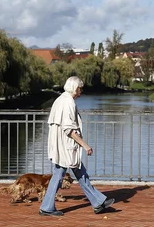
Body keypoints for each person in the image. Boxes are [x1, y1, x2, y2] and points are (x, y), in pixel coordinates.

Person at [39, 76, 115, 217]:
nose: (81, 90)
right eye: (80, 88)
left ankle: (98, 202)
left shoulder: (61, 99)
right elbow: (70, 130)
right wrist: (85, 145)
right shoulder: (68, 102)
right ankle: (47, 207)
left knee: (76, 173)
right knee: (62, 174)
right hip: (66, 147)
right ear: (75, 88)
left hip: (61, 146)